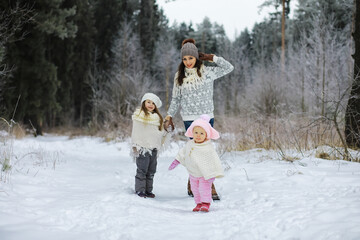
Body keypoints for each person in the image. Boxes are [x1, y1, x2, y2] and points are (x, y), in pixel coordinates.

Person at [164, 38, 234, 200]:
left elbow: (229, 67)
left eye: (191, 58)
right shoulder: (178, 77)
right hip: (189, 119)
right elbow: (175, 99)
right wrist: (169, 116)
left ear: (196, 57)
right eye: (184, 59)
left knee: (206, 152)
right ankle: (201, 184)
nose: (188, 62)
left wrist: (211, 58)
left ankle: (202, 184)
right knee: (195, 153)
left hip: (207, 118)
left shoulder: (207, 71)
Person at [168, 114, 224, 212]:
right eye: (196, 132)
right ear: (192, 133)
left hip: (204, 174)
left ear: (206, 135)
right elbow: (183, 153)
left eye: (201, 133)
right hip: (193, 173)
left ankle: (206, 203)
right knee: (195, 189)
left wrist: (212, 173)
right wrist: (176, 161)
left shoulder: (208, 147)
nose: (198, 135)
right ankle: (198, 203)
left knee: (204, 189)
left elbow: (213, 160)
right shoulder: (190, 144)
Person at [131, 93, 168, 198]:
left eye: (153, 103)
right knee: (142, 170)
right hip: (142, 147)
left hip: (153, 148)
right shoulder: (139, 115)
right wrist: (136, 145)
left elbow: (159, 133)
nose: (151, 105)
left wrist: (166, 129)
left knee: (151, 170)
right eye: (148, 102)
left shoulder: (157, 118)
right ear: (144, 102)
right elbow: (137, 132)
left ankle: (148, 190)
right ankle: (140, 190)